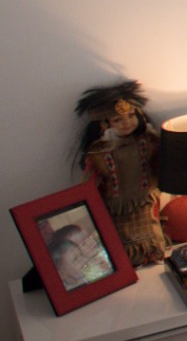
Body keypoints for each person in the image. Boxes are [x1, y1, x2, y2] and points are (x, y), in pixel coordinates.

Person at [74, 80, 167, 266]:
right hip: (116, 204)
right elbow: (91, 182)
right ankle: (128, 262)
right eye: (118, 119)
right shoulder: (100, 151)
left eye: (131, 115)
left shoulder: (149, 141)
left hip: (145, 197)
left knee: (151, 227)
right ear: (104, 124)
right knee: (120, 236)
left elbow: (160, 165)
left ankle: (154, 253)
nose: (126, 122)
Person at [43, 220, 114, 290]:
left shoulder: (103, 250)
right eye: (83, 243)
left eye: (89, 237)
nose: (90, 242)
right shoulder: (83, 272)